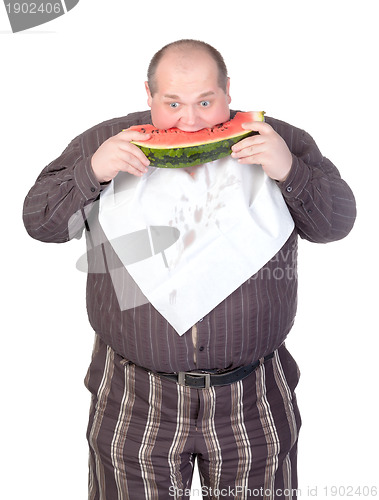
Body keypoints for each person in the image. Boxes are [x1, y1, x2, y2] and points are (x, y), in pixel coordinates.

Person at [23, 39, 356, 499]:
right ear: (148, 95)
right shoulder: (106, 142)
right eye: (172, 103)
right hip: (132, 395)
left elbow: (335, 225)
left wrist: (289, 170)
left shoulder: (279, 139)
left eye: (206, 101)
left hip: (255, 393)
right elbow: (40, 223)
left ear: (229, 91)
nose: (191, 120)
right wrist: (93, 171)